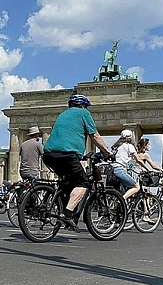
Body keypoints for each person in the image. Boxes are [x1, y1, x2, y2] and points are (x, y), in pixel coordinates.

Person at [42, 94, 113, 230]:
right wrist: (106, 152)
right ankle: (67, 215)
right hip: (67, 155)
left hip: (49, 155)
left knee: (67, 183)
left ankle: (62, 210)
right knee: (83, 183)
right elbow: (95, 136)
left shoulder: (62, 114)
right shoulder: (84, 113)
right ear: (82, 105)